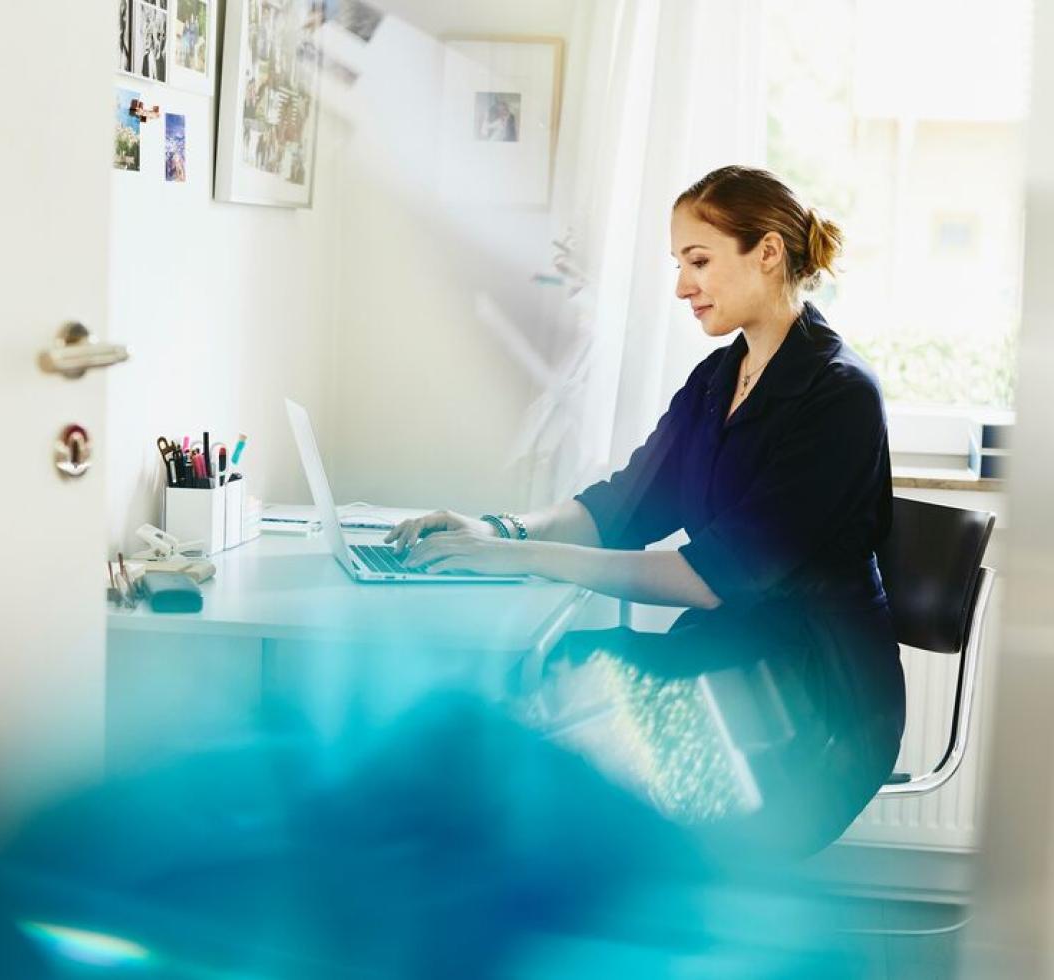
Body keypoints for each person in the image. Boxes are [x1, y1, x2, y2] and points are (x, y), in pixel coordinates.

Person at [385, 165, 905, 860]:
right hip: (729, 653)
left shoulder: (837, 396)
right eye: (678, 263)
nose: (681, 286)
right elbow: (622, 506)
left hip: (814, 701)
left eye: (698, 261)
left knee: (565, 753)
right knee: (552, 683)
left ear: (768, 253)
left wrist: (519, 558)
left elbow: (710, 577)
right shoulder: (718, 378)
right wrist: (498, 529)